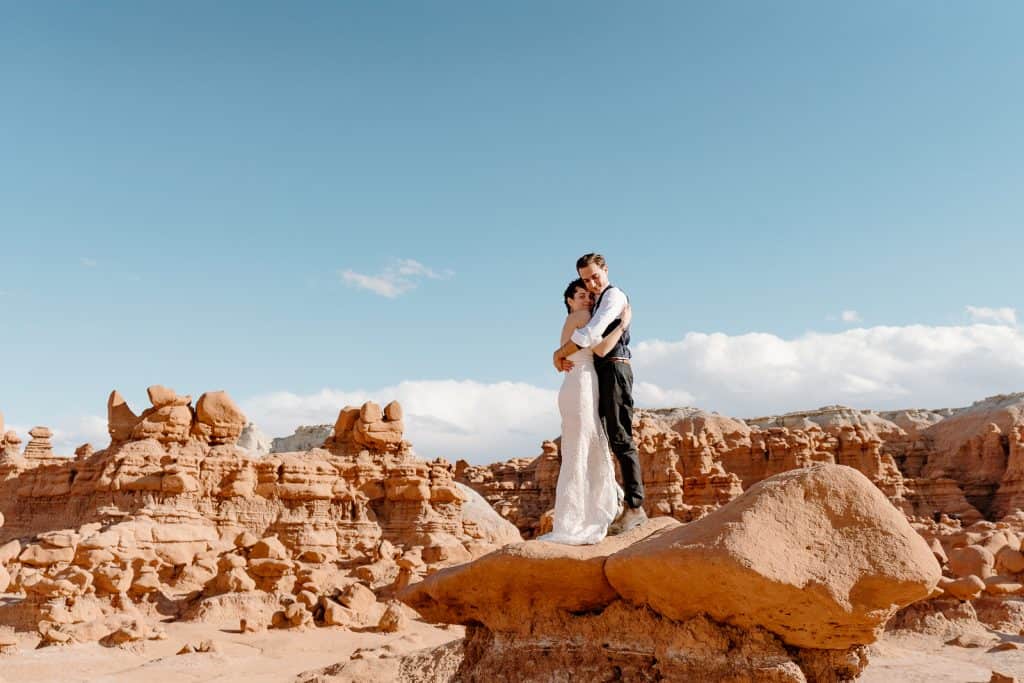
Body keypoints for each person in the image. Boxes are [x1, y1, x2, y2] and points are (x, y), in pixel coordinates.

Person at [552, 253, 647, 534]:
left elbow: (591, 337)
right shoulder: (593, 304)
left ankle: (635, 507)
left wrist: (558, 353)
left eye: (595, 276)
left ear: (605, 270)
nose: (592, 284)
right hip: (599, 374)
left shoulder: (614, 296)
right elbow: (594, 346)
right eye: (585, 281)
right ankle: (614, 503)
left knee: (619, 436)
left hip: (615, 369)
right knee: (604, 438)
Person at [538, 278, 630, 544]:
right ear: (569, 301)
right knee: (583, 448)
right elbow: (600, 348)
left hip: (576, 383)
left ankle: (584, 512)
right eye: (580, 295)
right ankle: (579, 519)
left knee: (581, 447)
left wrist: (557, 356)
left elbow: (567, 353)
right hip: (581, 383)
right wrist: (623, 324)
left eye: (590, 296)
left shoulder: (574, 319)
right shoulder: (582, 316)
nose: (587, 300)